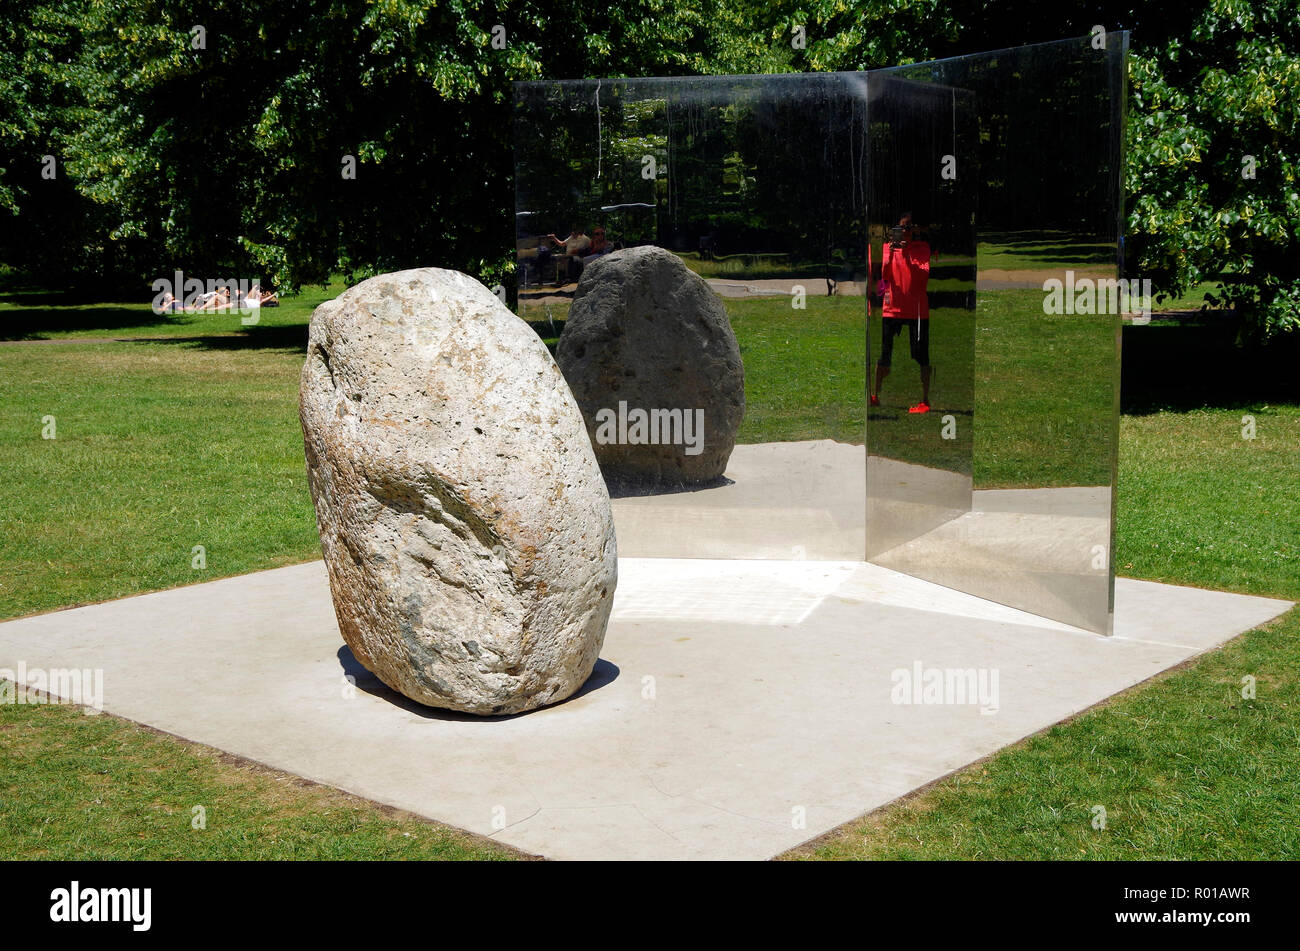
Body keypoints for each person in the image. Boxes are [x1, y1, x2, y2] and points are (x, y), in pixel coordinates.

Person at [871, 212, 932, 414]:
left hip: (917, 310)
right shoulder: (887, 248)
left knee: (921, 355)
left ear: (914, 229)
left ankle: (925, 400)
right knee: (884, 354)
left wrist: (905, 254)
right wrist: (891, 254)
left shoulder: (922, 249)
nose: (905, 231)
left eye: (908, 227)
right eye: (901, 227)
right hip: (892, 309)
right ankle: (875, 395)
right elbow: (884, 276)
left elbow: (921, 277)